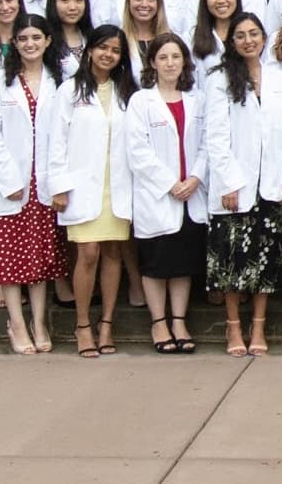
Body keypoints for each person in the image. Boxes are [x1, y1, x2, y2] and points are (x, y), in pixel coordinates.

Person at [203, 10, 282, 356]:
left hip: (270, 183)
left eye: (254, 33)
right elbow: (215, 135)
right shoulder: (219, 79)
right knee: (231, 262)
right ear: (231, 42)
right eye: (240, 35)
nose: (248, 40)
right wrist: (228, 182)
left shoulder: (280, 79)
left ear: (264, 37)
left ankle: (258, 327)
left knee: (265, 261)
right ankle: (233, 328)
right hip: (235, 188)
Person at [0, 17, 63, 349]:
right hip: (9, 183)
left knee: (38, 257)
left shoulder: (60, 81)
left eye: (36, 37)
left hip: (45, 183)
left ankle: (39, 324)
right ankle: (16, 323)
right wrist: (9, 179)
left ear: (48, 41)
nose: (29, 44)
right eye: (23, 38)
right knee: (10, 261)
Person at [49, 26, 137, 355]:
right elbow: (55, 141)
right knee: (87, 253)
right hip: (82, 185)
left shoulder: (127, 91)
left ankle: (107, 325)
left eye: (115, 50)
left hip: (117, 185)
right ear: (89, 51)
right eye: (102, 48)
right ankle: (82, 324)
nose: (108, 55)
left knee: (113, 253)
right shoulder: (70, 90)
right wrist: (58, 186)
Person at [128, 32, 207, 354]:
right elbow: (137, 151)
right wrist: (170, 183)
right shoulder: (140, 101)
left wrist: (196, 178)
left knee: (182, 264)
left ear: (185, 62)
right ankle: (158, 322)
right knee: (156, 264)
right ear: (152, 63)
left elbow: (207, 143)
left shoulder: (197, 99)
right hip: (158, 196)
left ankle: (179, 320)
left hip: (191, 195)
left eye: (175, 57)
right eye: (163, 57)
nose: (170, 63)